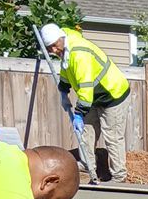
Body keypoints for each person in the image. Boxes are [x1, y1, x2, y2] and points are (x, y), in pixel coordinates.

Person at [40, 23, 130, 184]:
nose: (53, 50)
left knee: (112, 136)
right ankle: (88, 165)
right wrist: (63, 90)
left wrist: (79, 114)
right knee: (86, 132)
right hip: (93, 96)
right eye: (49, 48)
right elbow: (67, 70)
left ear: (61, 38)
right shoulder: (65, 49)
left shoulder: (79, 54)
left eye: (54, 45)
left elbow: (86, 89)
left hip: (112, 93)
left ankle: (119, 176)